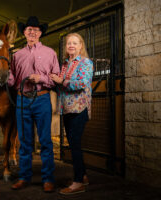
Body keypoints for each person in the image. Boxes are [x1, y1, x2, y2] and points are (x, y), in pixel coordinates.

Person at [8, 16, 60, 192]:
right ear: (24, 32)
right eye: (29, 29)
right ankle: (24, 177)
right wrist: (3, 73)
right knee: (24, 141)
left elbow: (56, 79)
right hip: (22, 100)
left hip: (42, 98)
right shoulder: (16, 55)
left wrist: (41, 78)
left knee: (45, 140)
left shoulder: (50, 53)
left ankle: (48, 179)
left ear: (40, 33)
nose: (32, 32)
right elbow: (12, 81)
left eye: (36, 30)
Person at [49, 32, 93, 195]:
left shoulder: (85, 62)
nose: (71, 45)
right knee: (73, 143)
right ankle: (83, 176)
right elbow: (61, 86)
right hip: (66, 109)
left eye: (75, 43)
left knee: (74, 144)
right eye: (69, 43)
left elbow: (82, 83)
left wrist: (61, 81)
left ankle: (78, 182)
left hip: (79, 109)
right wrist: (49, 80)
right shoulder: (65, 64)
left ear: (81, 45)